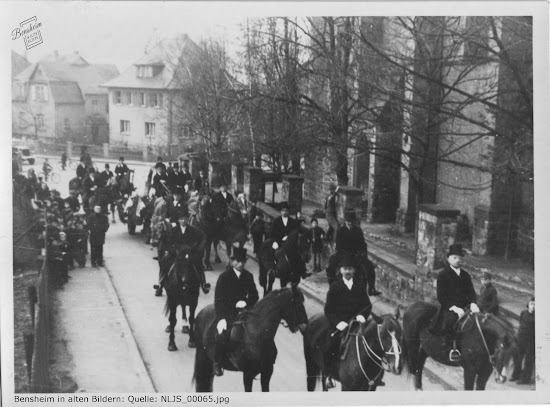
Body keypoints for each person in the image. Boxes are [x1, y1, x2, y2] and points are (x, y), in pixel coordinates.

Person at [324, 254, 372, 389]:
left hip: (358, 324)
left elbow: (367, 305)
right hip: (341, 325)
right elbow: (328, 310)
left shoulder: (360, 286)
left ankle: (372, 375)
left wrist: (362, 316)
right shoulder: (335, 287)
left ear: (354, 271)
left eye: (350, 269)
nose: (348, 272)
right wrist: (338, 323)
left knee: (373, 342)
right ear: (340, 271)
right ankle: (329, 375)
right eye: (345, 269)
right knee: (331, 345)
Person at [428, 244, 479, 362]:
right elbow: (441, 296)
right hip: (450, 307)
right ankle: (452, 348)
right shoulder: (443, 274)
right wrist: (454, 308)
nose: (457, 260)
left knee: (477, 320)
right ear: (448, 258)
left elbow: (471, 291)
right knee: (451, 322)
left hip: (465, 306)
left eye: (459, 258)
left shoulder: (465, 275)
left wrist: (473, 303)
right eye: (454, 258)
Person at [213, 247, 259, 376]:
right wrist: (221, 317)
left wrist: (247, 303)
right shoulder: (224, 277)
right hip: (227, 312)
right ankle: (217, 362)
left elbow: (254, 295)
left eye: (243, 262)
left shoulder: (248, 276)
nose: (240, 264)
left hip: (244, 311)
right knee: (222, 334)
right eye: (238, 261)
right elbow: (219, 299)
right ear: (232, 262)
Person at [156, 208, 210, 296]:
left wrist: (197, 249)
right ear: (178, 220)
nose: (183, 221)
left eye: (185, 219)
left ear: (188, 219)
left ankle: (203, 284)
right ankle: (160, 285)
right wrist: (173, 250)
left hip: (189, 253)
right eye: (181, 219)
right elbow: (168, 242)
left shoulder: (193, 230)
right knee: (165, 263)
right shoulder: (173, 230)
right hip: (176, 253)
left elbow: (202, 238)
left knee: (198, 264)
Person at [330, 212, 381, 296]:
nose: (349, 223)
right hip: (345, 254)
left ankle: (371, 288)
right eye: (348, 222)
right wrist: (344, 253)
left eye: (351, 222)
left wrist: (362, 253)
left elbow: (363, 244)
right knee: (331, 266)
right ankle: (333, 286)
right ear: (345, 221)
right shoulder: (341, 231)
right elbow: (338, 245)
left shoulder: (358, 230)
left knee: (370, 268)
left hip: (357, 254)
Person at [270, 202, 311, 280]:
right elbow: (272, 233)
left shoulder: (293, 221)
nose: (284, 212)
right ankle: (272, 269)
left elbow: (297, 231)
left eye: (286, 210)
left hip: (290, 243)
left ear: (288, 211)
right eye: (283, 210)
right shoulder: (276, 221)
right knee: (273, 253)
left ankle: (302, 271)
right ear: (280, 211)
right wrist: (275, 241)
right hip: (279, 242)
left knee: (298, 254)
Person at [511, 297, 535, 385]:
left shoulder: (537, 316)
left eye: (535, 305)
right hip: (521, 339)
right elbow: (521, 324)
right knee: (518, 357)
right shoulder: (523, 313)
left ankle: (525, 379)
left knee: (528, 360)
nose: (533, 306)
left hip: (531, 341)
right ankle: (516, 374)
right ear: (528, 304)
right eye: (532, 304)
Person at [325, 184, 339, 248]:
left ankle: (326, 238)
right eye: (331, 190)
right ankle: (335, 242)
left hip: (332, 214)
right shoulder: (329, 197)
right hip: (330, 215)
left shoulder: (333, 196)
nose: (331, 191)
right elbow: (331, 200)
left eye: (332, 189)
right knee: (336, 227)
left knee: (331, 227)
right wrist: (336, 191)